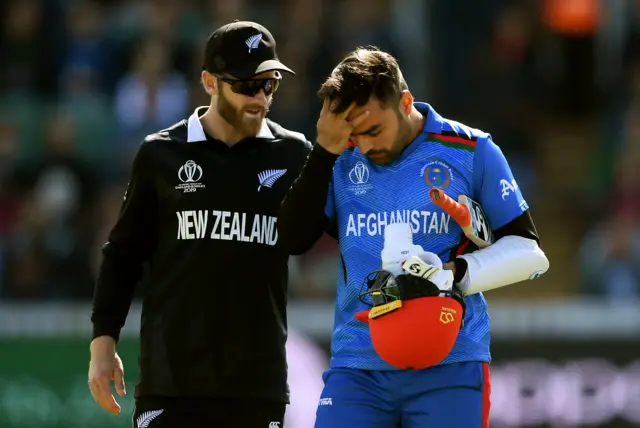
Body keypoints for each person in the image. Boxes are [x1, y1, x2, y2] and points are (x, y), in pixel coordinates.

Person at [278, 46, 550, 428]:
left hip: (450, 363)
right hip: (358, 367)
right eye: (356, 135)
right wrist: (324, 150)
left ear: (404, 102)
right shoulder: (340, 156)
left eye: (374, 130)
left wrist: (451, 272)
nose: (368, 146)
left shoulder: (472, 150)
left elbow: (530, 253)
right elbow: (292, 239)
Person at [88, 20, 313, 428]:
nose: (261, 98)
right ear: (210, 82)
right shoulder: (161, 154)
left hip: (256, 388)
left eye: (270, 85)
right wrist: (103, 344)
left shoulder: (294, 154)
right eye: (247, 85)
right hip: (171, 386)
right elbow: (123, 255)